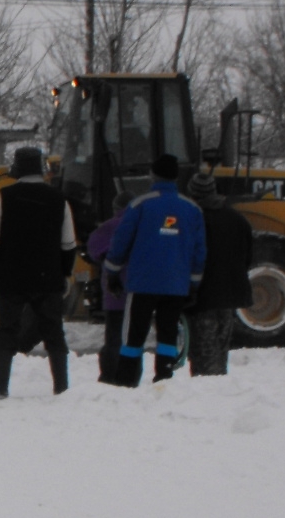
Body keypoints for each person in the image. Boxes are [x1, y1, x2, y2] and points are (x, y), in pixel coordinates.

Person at [0, 145, 78, 399]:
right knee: (54, 332)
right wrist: (66, 273)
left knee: (6, 331)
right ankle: (61, 386)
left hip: (11, 277)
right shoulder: (59, 199)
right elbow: (68, 243)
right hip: (48, 277)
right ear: (41, 169)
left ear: (17, 169)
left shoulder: (3, 197)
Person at [103, 153, 207, 386]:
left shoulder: (140, 205)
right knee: (168, 333)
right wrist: (193, 284)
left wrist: (112, 272)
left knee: (133, 334)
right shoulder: (192, 209)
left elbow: (121, 241)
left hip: (142, 283)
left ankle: (126, 381)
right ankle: (164, 378)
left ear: (153, 175)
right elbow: (199, 251)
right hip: (176, 284)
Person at [185, 169, 253, 376]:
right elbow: (247, 257)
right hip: (229, 296)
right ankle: (218, 387)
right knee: (220, 352)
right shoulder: (237, 219)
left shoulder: (192, 220)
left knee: (203, 355)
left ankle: (207, 390)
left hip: (202, 297)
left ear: (193, 193)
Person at [84, 212, 127, 385]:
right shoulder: (143, 223)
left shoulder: (109, 226)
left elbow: (93, 249)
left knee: (114, 337)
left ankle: (109, 375)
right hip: (139, 290)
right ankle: (130, 375)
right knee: (133, 338)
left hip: (114, 291)